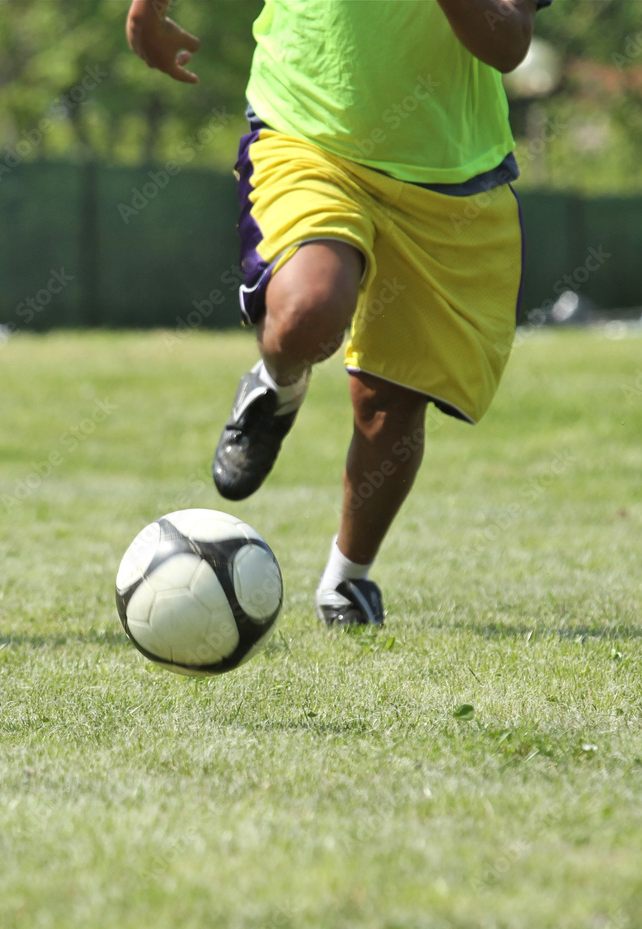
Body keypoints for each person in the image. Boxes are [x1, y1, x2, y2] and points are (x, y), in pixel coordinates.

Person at [127, 0, 553, 627]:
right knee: (310, 311)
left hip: (451, 170)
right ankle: (278, 385)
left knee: (389, 402)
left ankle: (346, 581)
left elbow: (508, 41)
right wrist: (147, 10)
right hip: (310, 130)